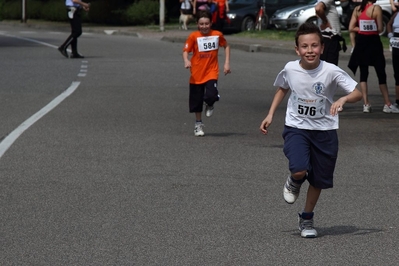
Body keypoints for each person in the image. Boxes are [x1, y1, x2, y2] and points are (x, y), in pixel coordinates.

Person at [259, 22, 362, 238]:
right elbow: (282, 88)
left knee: (318, 179)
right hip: (297, 127)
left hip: (325, 130)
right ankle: (295, 180)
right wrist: (270, 114)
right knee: (299, 168)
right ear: (297, 49)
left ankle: (307, 218)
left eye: (314, 46)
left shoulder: (331, 71)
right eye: (304, 46)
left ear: (322, 48)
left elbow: (357, 93)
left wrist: (343, 99)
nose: (310, 50)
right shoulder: (290, 68)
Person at [182, 10, 231, 137]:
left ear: (211, 23)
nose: (204, 27)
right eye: (201, 24)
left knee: (211, 95)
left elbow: (226, 46)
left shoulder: (217, 35)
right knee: (197, 101)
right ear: (198, 24)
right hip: (196, 73)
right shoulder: (193, 36)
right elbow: (185, 51)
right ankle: (198, 124)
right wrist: (186, 60)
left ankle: (210, 103)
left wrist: (226, 63)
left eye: (206, 24)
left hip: (211, 72)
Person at [348, 0, 399, 113]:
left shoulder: (357, 9)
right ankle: (387, 103)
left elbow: (351, 27)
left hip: (361, 43)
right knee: (381, 72)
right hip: (373, 42)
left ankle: (366, 104)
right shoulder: (376, 8)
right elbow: (380, 28)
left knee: (363, 73)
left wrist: (361, 28)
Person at [315, 0, 347, 65]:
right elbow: (318, 9)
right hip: (329, 38)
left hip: (326, 37)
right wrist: (325, 22)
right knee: (331, 67)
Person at [387, 11, 399, 107]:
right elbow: (389, 24)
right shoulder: (396, 14)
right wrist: (390, 34)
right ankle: (398, 101)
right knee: (397, 73)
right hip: (396, 43)